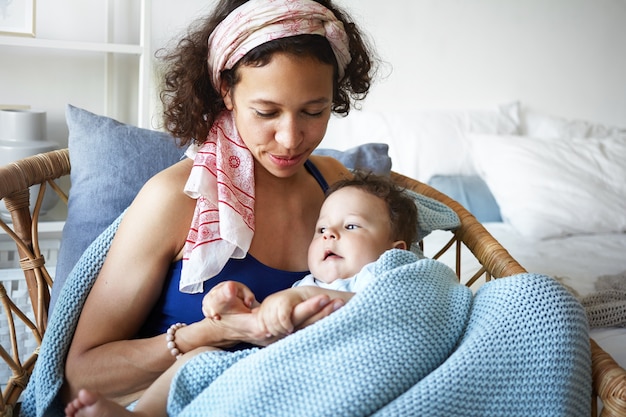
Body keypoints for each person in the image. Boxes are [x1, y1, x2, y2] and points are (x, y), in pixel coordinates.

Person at [60, 0, 378, 411]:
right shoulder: (177, 199)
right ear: (226, 91)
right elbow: (81, 376)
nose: (290, 137)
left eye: (313, 111)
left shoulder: (335, 185)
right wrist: (210, 335)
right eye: (266, 112)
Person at [64, 173, 419, 417]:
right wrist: (235, 309)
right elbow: (267, 326)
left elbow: (396, 309)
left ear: (396, 248)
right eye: (321, 229)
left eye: (351, 226)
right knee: (199, 357)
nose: (329, 235)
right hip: (272, 370)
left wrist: (302, 300)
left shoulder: (387, 273)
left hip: (342, 377)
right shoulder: (306, 284)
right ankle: (144, 414)